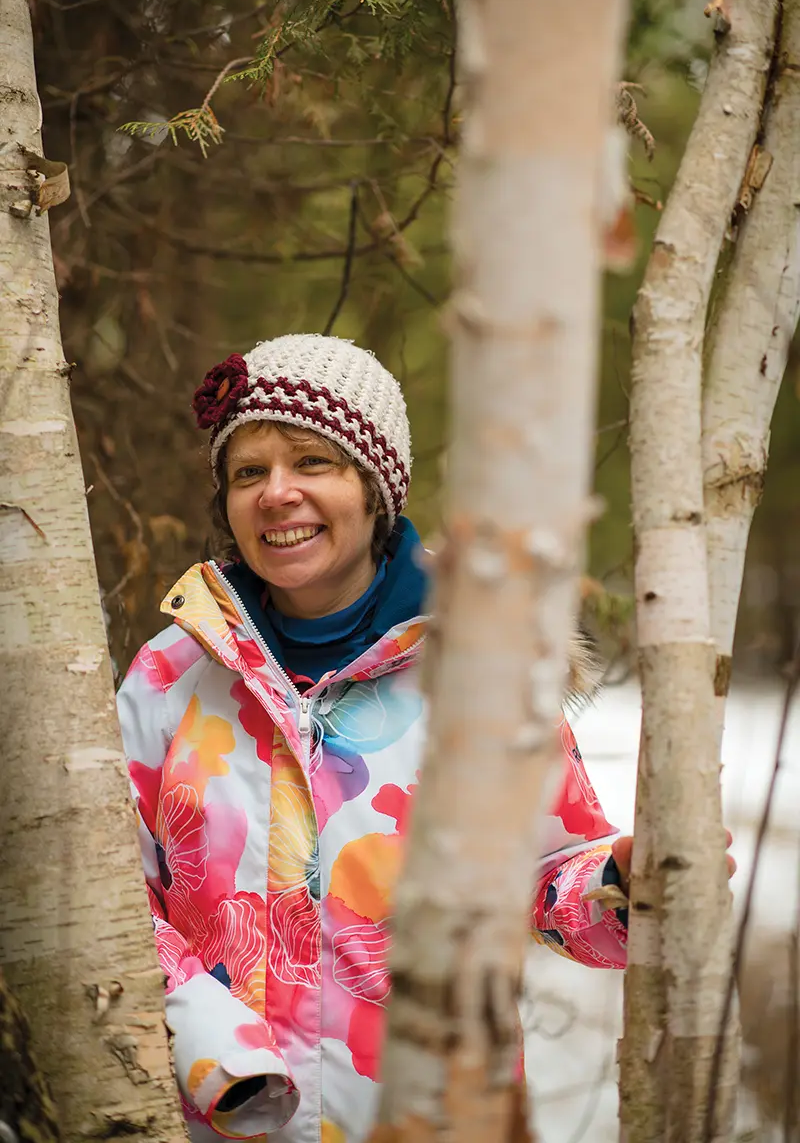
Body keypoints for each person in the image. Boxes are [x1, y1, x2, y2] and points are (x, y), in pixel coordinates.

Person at [115, 334, 678, 1140]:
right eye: (249, 471)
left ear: (376, 487)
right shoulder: (172, 673)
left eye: (313, 462)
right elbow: (113, 897)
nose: (277, 494)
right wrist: (215, 1048)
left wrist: (621, 883)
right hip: (210, 1118)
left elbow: (550, 875)